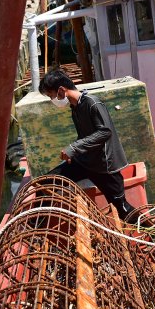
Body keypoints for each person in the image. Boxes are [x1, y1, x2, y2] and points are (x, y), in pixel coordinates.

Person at [39, 70, 134, 219]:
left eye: (51, 95)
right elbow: (85, 136)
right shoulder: (75, 107)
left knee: (122, 209)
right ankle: (36, 227)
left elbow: (105, 132)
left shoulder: (93, 103)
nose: (52, 100)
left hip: (104, 167)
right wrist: (74, 152)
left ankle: (153, 231)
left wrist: (74, 148)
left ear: (62, 90)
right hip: (85, 162)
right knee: (45, 183)